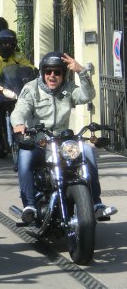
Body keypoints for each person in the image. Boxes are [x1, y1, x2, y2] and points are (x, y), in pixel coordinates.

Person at [11, 51, 118, 224]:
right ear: (43, 72)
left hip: (62, 142)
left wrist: (81, 72)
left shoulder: (68, 89)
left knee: (87, 152)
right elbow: (20, 109)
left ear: (63, 74)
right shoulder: (31, 89)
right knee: (24, 159)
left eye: (57, 72)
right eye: (48, 72)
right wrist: (19, 124)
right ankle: (29, 206)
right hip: (37, 141)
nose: (52, 76)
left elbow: (87, 96)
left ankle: (97, 204)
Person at [0, 29, 36, 138]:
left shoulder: (19, 56)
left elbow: (29, 67)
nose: (7, 46)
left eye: (10, 43)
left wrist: (34, 71)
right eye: (4, 43)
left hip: (13, 86)